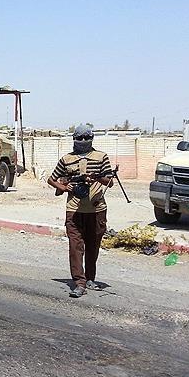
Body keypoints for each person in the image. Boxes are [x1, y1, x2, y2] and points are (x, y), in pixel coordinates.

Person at [47, 124, 114, 297]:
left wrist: (95, 178)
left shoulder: (101, 157)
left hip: (96, 209)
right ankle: (79, 282)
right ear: (74, 139)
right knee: (75, 247)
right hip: (74, 210)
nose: (83, 141)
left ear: (91, 138)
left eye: (86, 137)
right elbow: (52, 179)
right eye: (79, 138)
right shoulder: (66, 159)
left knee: (93, 246)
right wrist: (65, 187)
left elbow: (110, 182)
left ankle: (90, 278)